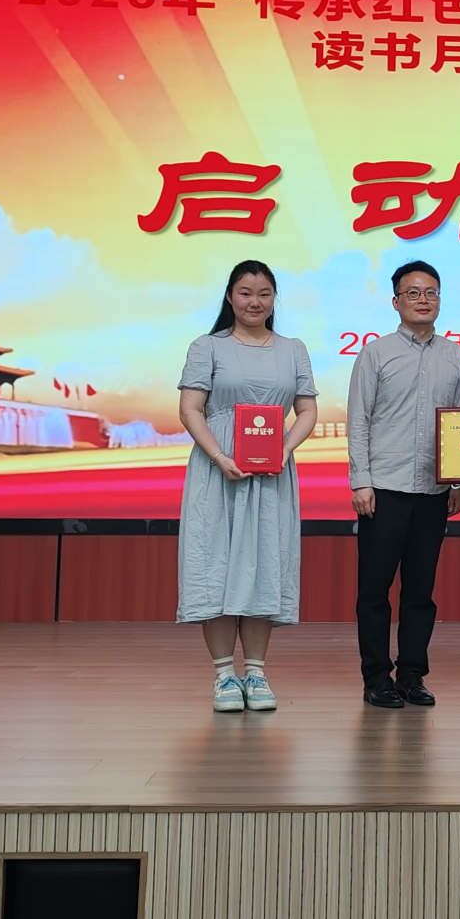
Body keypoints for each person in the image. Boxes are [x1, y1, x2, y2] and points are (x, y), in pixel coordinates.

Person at [176, 260, 319, 713]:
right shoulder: (207, 346)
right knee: (215, 567)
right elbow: (190, 409)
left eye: (264, 294)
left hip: (272, 474)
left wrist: (284, 449)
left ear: (274, 299)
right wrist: (220, 456)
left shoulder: (293, 349)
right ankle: (224, 676)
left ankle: (255, 673)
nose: (254, 302)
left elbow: (307, 411)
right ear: (230, 297)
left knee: (263, 565)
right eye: (245, 293)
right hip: (217, 472)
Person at [348, 260, 460, 709]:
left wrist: (456, 481)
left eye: (431, 292)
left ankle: (412, 676)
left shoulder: (455, 356)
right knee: (375, 591)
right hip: (383, 489)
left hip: (433, 492)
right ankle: (376, 678)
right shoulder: (376, 353)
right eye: (413, 292)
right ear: (396, 301)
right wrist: (361, 481)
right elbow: (358, 420)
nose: (423, 300)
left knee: (420, 593)